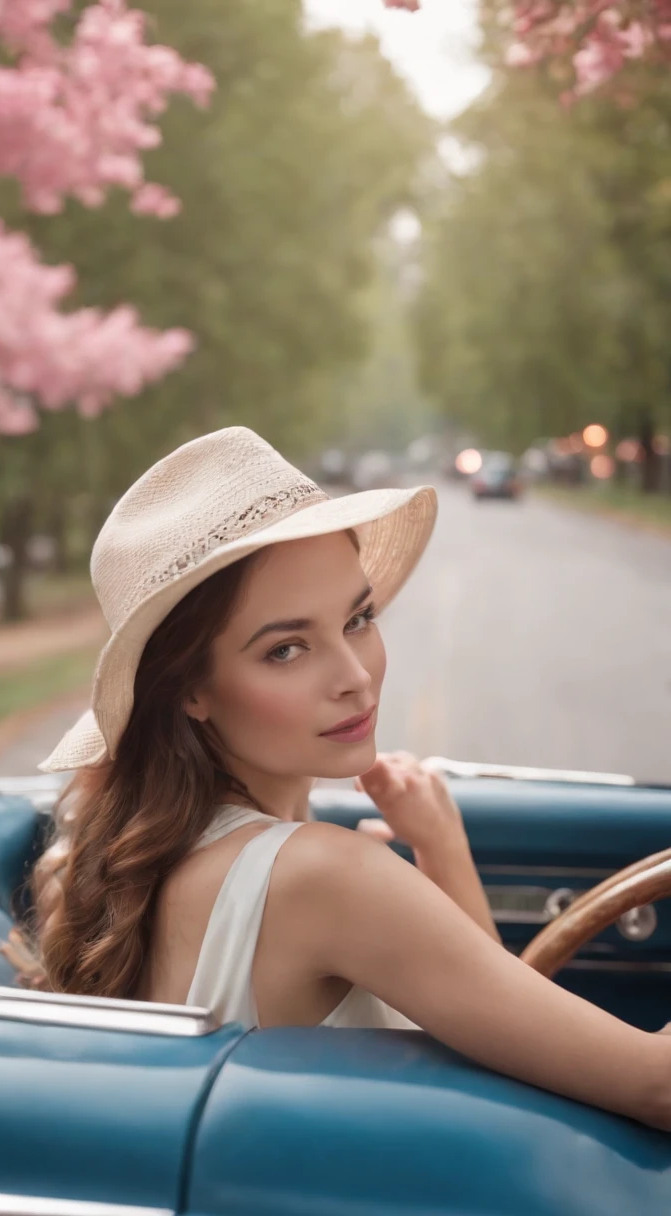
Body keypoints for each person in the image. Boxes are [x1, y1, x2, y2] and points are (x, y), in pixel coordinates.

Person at [34, 426, 671, 1131]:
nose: (354, 676)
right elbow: (654, 1086)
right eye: (285, 650)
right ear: (191, 690)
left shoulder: (131, 852)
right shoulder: (325, 877)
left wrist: (441, 846)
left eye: (359, 618)